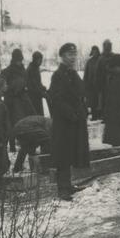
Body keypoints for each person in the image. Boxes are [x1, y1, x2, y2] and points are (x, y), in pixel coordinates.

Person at [48, 43, 90, 201]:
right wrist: (70, 113)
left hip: (75, 120)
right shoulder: (58, 75)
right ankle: (62, 189)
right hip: (64, 122)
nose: (72, 58)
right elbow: (55, 99)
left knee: (72, 151)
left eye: (74, 54)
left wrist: (84, 109)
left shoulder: (72, 73)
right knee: (63, 154)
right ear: (62, 56)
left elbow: (81, 91)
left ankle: (68, 184)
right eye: (69, 55)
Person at [1, 49, 36, 152]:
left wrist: (24, 87)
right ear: (14, 59)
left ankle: (26, 145)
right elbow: (5, 87)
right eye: (18, 60)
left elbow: (26, 82)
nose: (19, 62)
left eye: (20, 60)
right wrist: (14, 88)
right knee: (12, 123)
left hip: (22, 99)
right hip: (12, 100)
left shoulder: (23, 70)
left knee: (26, 121)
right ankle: (12, 146)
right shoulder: (7, 71)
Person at [95, 39, 116, 121]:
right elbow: (97, 73)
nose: (108, 47)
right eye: (106, 46)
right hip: (104, 84)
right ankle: (105, 116)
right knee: (104, 101)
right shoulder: (101, 58)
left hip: (113, 83)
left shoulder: (114, 56)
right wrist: (98, 84)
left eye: (109, 45)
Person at [26, 51, 47, 117]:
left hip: (37, 96)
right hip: (33, 97)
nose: (41, 62)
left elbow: (37, 82)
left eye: (41, 60)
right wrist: (42, 93)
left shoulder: (36, 68)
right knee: (36, 115)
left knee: (39, 114)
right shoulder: (31, 69)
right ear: (35, 59)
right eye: (39, 60)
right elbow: (33, 84)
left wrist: (42, 87)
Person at [83, 46, 101, 120]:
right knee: (92, 101)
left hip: (99, 84)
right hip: (91, 85)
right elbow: (86, 73)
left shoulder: (100, 60)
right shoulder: (89, 61)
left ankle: (100, 115)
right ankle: (94, 116)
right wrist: (84, 83)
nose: (94, 53)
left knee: (99, 101)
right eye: (93, 51)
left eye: (96, 51)